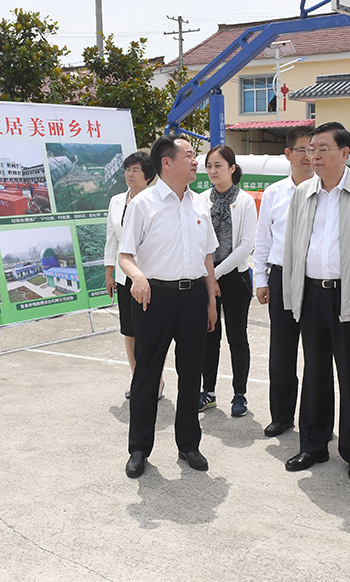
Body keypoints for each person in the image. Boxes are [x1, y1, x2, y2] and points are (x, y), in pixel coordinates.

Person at [282, 122, 350, 483]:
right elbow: (292, 248)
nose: (313, 156)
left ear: (345, 153)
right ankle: (313, 445)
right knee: (314, 373)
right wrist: (291, 295)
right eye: (310, 149)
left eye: (322, 149)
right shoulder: (302, 193)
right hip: (312, 293)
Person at [118, 135, 218, 479]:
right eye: (190, 155)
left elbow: (207, 256)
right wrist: (137, 277)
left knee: (191, 373)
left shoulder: (199, 203)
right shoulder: (143, 204)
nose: (196, 161)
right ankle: (138, 449)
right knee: (147, 375)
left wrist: (210, 298)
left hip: (192, 299)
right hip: (154, 299)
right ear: (167, 162)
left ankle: (189, 443)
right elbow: (125, 255)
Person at [253, 125, 316, 437]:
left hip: (317, 280)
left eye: (313, 149)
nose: (309, 156)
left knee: (318, 353)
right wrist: (260, 279)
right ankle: (281, 415)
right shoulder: (275, 193)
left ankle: (316, 420)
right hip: (281, 278)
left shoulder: (326, 190)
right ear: (288, 154)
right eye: (302, 149)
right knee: (282, 350)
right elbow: (262, 240)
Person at [198, 145, 257, 417]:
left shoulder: (244, 201)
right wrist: (209, 277)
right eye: (209, 166)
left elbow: (246, 246)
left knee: (237, 337)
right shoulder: (201, 200)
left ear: (232, 168)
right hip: (207, 277)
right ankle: (207, 391)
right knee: (210, 336)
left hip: (234, 279)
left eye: (218, 165)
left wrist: (216, 274)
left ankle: (240, 394)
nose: (212, 171)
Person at [103, 151, 162, 401]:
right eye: (127, 169)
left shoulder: (156, 201)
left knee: (151, 331)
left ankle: (155, 381)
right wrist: (109, 273)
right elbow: (112, 239)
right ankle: (138, 378)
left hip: (151, 277)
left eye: (135, 170)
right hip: (123, 278)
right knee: (129, 330)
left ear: (148, 175)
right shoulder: (117, 200)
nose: (129, 174)